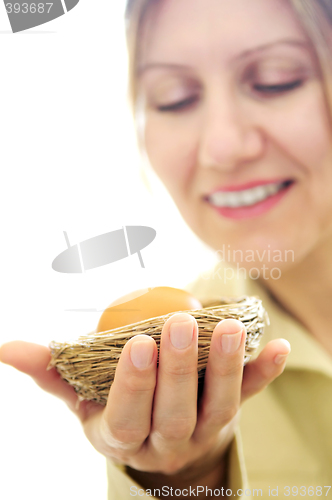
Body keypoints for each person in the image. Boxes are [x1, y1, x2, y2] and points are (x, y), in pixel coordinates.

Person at [1, 0, 332, 498]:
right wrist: (187, 480)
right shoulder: (177, 364)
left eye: (275, 80)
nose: (221, 147)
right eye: (173, 99)